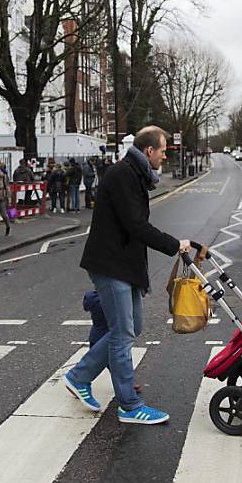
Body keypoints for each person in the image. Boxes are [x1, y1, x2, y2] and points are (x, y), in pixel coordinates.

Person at [63, 126, 193, 425]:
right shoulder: (123, 175)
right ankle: (129, 406)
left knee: (131, 327)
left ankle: (79, 375)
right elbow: (136, 224)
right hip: (111, 265)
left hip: (123, 265)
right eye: (162, 150)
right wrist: (174, 245)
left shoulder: (135, 175)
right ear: (149, 151)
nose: (164, 155)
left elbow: (132, 227)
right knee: (122, 333)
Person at [83, 289, 142, 393]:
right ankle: (80, 379)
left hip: (96, 337)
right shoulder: (113, 301)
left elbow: (86, 306)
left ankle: (80, 380)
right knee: (117, 362)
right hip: (106, 339)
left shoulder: (91, 296)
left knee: (103, 364)